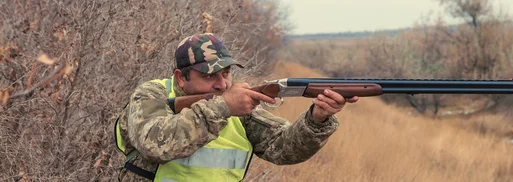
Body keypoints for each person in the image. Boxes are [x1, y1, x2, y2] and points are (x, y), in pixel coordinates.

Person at [114, 33, 359, 182]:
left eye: (227, 73)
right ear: (180, 78)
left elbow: (284, 148)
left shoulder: (237, 106)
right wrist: (222, 108)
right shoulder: (152, 94)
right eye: (210, 77)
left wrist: (317, 118)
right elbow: (155, 145)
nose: (222, 84)